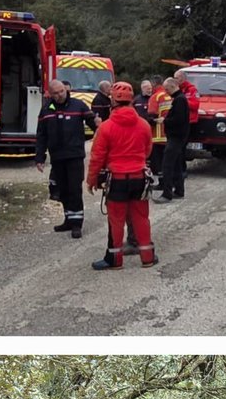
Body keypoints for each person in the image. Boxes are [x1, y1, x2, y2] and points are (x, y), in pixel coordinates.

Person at [86, 81, 157, 269]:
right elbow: (147, 150)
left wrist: (91, 180)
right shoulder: (143, 125)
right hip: (139, 178)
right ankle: (148, 258)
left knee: (116, 221)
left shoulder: (106, 127)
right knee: (141, 218)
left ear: (113, 101)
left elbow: (97, 157)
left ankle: (115, 260)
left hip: (117, 179)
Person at [34, 76, 96, 239]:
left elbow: (94, 124)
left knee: (75, 189)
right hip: (57, 157)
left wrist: (101, 128)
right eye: (56, 93)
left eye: (62, 91)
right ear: (50, 94)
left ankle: (76, 224)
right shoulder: (46, 110)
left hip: (74, 155)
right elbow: (41, 135)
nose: (60, 95)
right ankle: (69, 219)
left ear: (66, 89)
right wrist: (39, 157)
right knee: (63, 190)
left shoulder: (78, 105)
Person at [155, 77, 189, 202]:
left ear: (173, 86)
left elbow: (178, 120)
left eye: (167, 89)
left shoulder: (179, 100)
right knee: (176, 165)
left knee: (167, 165)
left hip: (176, 137)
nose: (166, 91)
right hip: (178, 137)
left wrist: (165, 121)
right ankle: (179, 190)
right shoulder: (179, 99)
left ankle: (167, 194)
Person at [147, 76, 169, 178]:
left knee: (158, 165)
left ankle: (161, 183)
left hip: (157, 136)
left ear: (154, 84)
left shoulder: (155, 97)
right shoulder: (169, 95)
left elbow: (152, 116)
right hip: (169, 135)